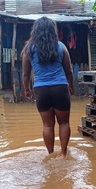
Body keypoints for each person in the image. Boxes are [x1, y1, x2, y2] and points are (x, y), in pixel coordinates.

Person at [21, 16, 74, 157]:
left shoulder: (29, 50)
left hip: (41, 90)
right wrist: (71, 86)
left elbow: (26, 74)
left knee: (47, 125)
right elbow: (68, 70)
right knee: (64, 123)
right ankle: (63, 153)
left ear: (35, 31)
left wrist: (26, 89)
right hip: (60, 88)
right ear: (53, 30)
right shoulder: (61, 47)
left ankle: (50, 155)